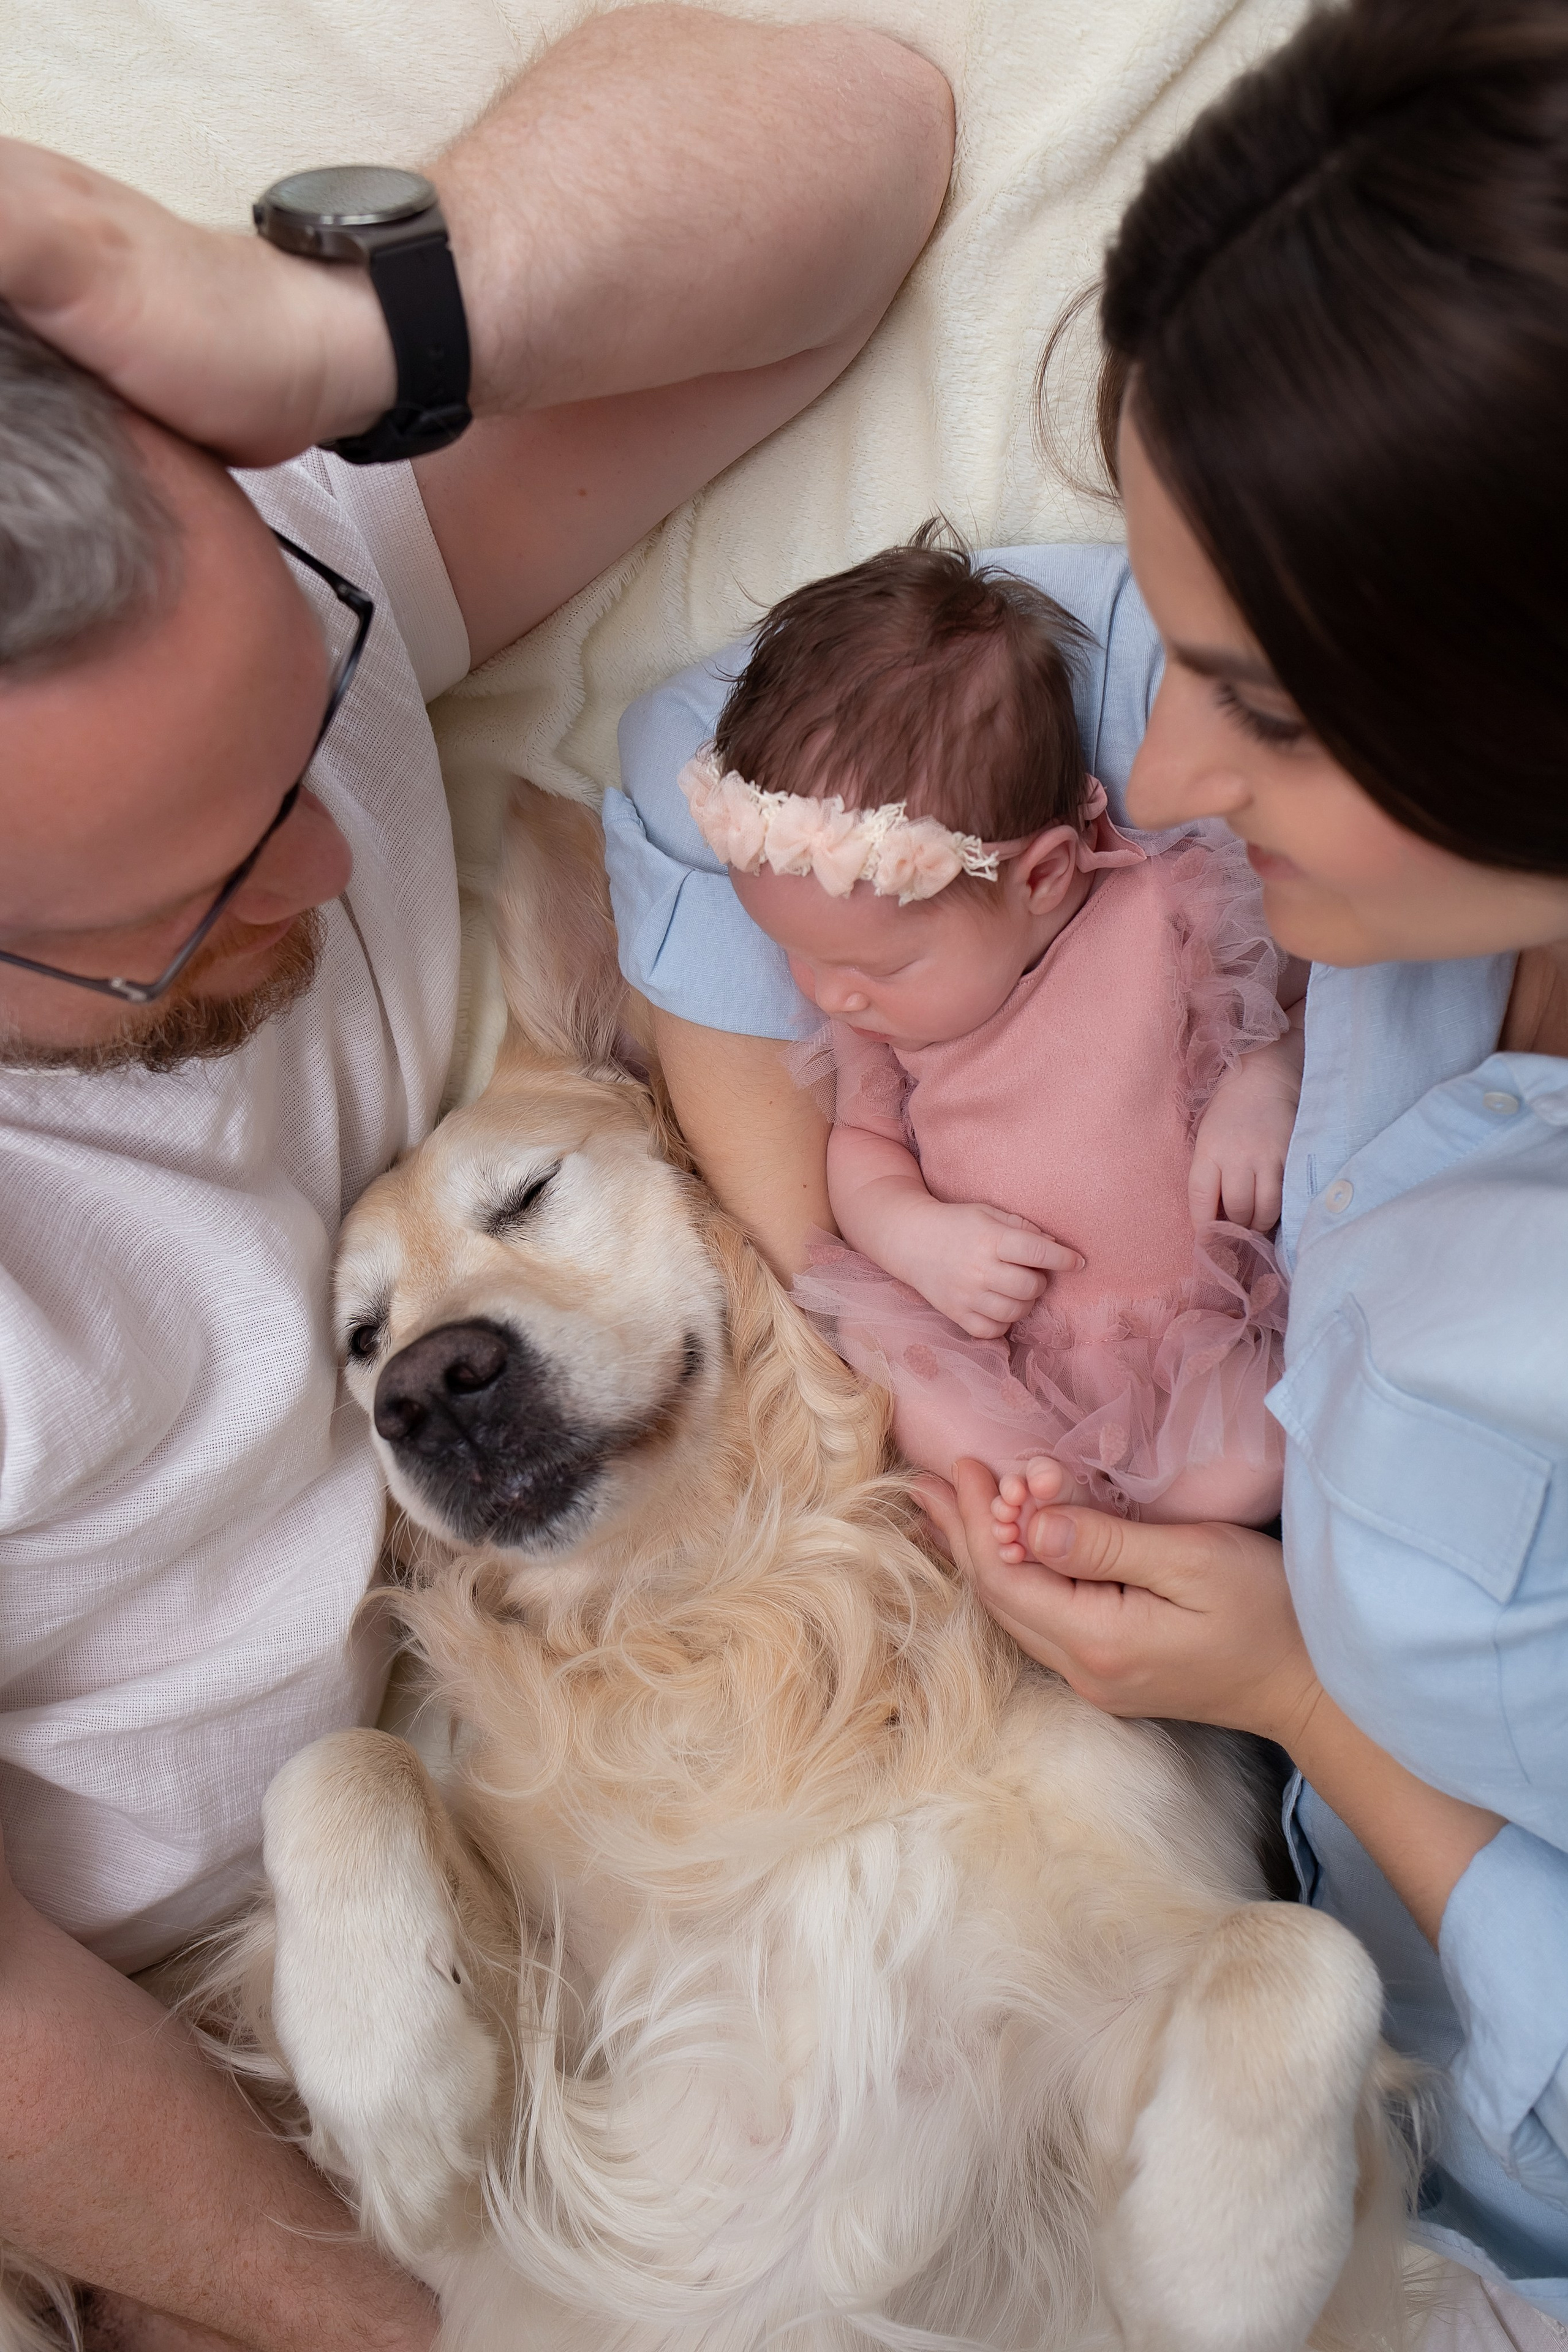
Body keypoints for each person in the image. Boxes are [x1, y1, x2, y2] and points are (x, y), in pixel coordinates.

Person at [606, 1, 1568, 2340]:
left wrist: (1304, 1701)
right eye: (1175, 636)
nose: (1151, 773)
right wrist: (864, 1257)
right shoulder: (1349, 721)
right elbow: (698, 755)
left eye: (1260, 705)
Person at [0, 14, 954, 2343]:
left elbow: (861, 142)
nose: (333, 852)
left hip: (507, 1870)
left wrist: (332, 329)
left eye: (307, 720)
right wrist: (366, 2317)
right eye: (199, 894)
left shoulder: (195, 638)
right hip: (110, 2085)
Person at [676, 535, 1298, 1522]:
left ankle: (1158, 1526)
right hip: (1000, 1347)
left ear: (1043, 878)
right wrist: (918, 1238)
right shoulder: (882, 1029)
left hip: (1186, 1324)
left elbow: (1310, 998)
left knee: (1255, 1457)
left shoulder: (1167, 911)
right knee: (911, 1388)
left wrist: (1268, 1078)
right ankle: (1029, 1500)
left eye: (877, 967)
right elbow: (863, 1153)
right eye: (798, 954)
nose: (833, 996)